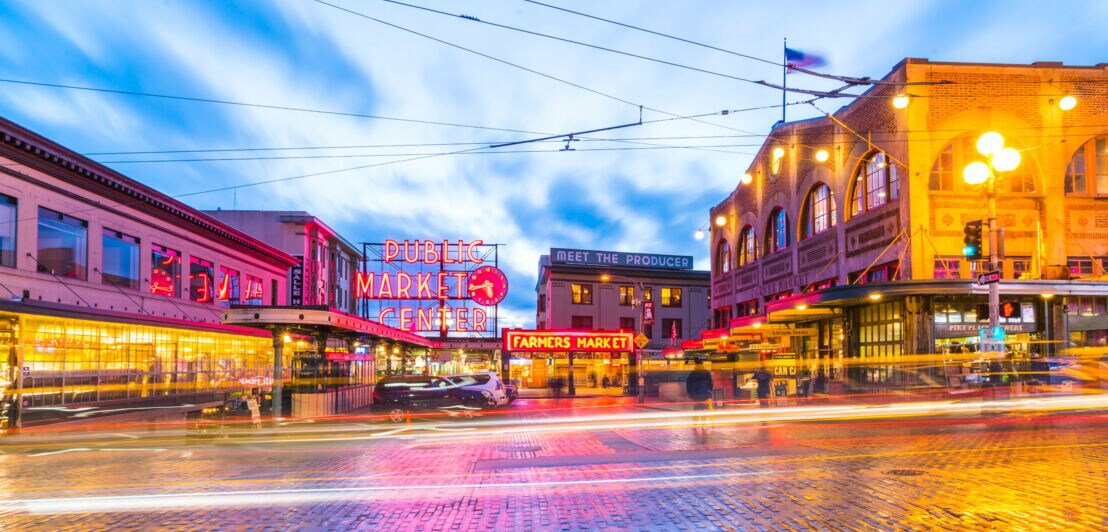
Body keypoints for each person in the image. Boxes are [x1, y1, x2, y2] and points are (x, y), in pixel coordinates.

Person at [685, 360, 713, 428]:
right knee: (703, 409)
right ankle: (703, 424)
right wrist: (710, 391)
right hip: (705, 394)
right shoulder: (706, 373)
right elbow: (710, 383)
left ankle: (695, 424)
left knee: (696, 408)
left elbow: (688, 384)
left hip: (695, 395)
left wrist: (690, 393)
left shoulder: (692, 373)